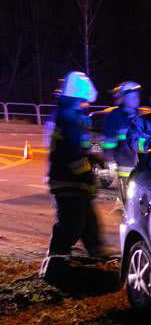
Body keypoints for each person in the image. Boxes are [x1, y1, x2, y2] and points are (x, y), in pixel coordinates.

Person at [44, 71, 106, 265]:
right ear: (77, 98)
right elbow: (71, 153)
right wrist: (87, 176)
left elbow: (83, 146)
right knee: (72, 223)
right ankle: (56, 258)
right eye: (84, 101)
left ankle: (97, 253)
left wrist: (95, 156)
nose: (87, 105)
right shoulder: (69, 119)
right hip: (67, 180)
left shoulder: (71, 117)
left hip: (71, 179)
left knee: (88, 221)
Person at [102, 81, 142, 195]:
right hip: (125, 166)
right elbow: (109, 141)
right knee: (127, 197)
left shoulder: (141, 115)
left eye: (137, 96)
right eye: (132, 97)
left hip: (141, 168)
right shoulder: (115, 116)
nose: (135, 99)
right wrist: (110, 161)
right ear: (124, 98)